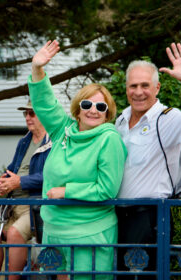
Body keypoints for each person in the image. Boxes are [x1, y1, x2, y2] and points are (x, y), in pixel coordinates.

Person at [29, 40, 127, 279]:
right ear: (77, 108)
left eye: (100, 106)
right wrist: (37, 69)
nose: (93, 110)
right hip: (55, 228)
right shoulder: (64, 129)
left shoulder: (109, 139)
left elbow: (107, 189)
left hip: (89, 232)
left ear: (108, 112)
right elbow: (45, 104)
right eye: (87, 104)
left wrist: (66, 191)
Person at [115, 43, 181, 278]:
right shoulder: (120, 120)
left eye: (145, 85)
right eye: (133, 86)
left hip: (149, 217)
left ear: (157, 87)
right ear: (126, 89)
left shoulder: (167, 118)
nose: (139, 92)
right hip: (117, 215)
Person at [0, 100, 51, 280]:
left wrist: (19, 182)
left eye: (32, 113)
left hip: (35, 205)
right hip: (13, 204)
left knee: (14, 233)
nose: (27, 117)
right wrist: (4, 181)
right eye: (25, 113)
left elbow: (51, 176)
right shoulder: (24, 141)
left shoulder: (54, 142)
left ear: (44, 114)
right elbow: (12, 169)